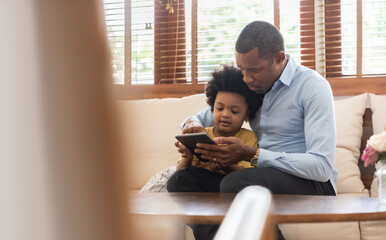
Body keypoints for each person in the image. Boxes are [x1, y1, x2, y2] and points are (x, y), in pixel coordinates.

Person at [168, 21, 338, 240]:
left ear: (279, 58)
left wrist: (252, 155)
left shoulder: (312, 87)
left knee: (236, 183)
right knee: (181, 180)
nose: (246, 78)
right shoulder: (252, 85)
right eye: (242, 69)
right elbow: (203, 116)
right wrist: (191, 127)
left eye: (254, 70)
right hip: (258, 178)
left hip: (312, 183)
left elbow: (322, 167)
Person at [168, 64, 263, 193]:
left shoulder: (248, 138)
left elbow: (247, 177)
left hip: (228, 185)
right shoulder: (202, 134)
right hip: (198, 186)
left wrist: (226, 165)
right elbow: (178, 175)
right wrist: (187, 156)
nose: (225, 114)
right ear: (212, 108)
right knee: (179, 178)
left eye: (234, 111)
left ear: (247, 115)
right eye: (219, 108)